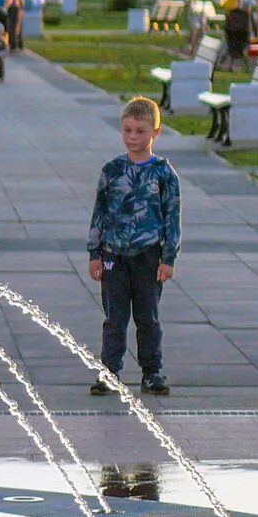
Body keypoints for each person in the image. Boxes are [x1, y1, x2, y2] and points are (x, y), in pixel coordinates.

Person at [87, 96, 181, 397]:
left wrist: (168, 257)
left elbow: (172, 216)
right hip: (114, 254)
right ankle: (110, 371)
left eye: (140, 131)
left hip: (148, 256)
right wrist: (95, 253)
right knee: (114, 318)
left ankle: (152, 371)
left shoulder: (164, 174)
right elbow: (100, 212)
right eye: (127, 130)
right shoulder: (112, 171)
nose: (133, 137)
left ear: (155, 133)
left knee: (147, 316)